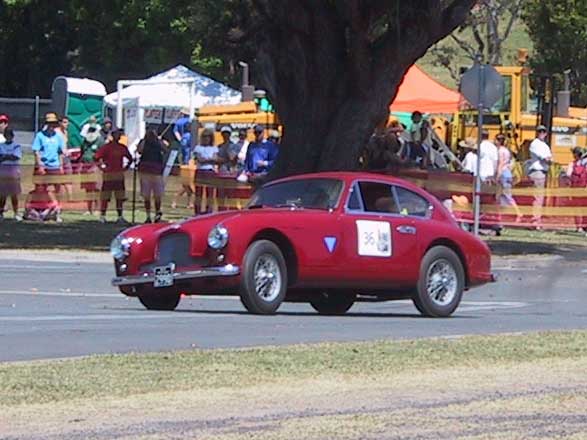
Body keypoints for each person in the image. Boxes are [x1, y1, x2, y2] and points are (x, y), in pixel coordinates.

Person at [32, 112, 65, 222]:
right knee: (42, 188)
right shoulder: (40, 135)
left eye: (53, 123)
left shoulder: (58, 136)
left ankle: (57, 210)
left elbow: (60, 152)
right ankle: (45, 209)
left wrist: (61, 166)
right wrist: (40, 166)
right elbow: (36, 151)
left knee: (58, 188)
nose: (51, 126)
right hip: (44, 166)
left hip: (55, 166)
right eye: (50, 123)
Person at [95, 128, 132, 224]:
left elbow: (130, 158)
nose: (118, 136)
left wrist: (125, 167)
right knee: (105, 196)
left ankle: (120, 216)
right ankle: (102, 216)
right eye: (116, 134)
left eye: (119, 135)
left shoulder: (122, 147)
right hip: (108, 175)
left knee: (119, 196)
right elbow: (96, 157)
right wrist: (102, 167)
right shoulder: (106, 147)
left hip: (119, 175)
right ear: (112, 136)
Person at [138, 129, 167, 223]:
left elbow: (165, 149)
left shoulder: (158, 142)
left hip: (156, 171)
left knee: (157, 195)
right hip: (145, 171)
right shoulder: (143, 142)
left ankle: (157, 213)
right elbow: (139, 151)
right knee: (146, 195)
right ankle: (148, 215)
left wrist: (159, 141)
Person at [527, 125, 553, 228]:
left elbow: (550, 158)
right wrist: (549, 160)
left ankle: (537, 220)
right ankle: (535, 221)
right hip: (537, 172)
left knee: (539, 198)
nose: (541, 133)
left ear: (546, 133)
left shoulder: (544, 145)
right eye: (539, 131)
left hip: (543, 172)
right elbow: (546, 159)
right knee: (537, 198)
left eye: (543, 131)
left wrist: (549, 160)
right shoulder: (535, 144)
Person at [79, 122, 105, 215]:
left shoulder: (100, 140)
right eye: (90, 130)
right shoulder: (84, 141)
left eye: (93, 130)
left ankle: (97, 209)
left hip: (96, 167)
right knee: (88, 189)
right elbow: (82, 152)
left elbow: (103, 154)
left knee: (97, 189)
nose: (91, 132)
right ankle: (89, 209)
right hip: (85, 167)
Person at [496, 133, 522, 224]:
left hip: (503, 173)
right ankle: (500, 215)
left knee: (506, 195)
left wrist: (498, 175)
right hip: (508, 173)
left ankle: (518, 213)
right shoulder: (507, 151)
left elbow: (501, 163)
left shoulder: (500, 151)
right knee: (501, 196)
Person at [193, 128, 219, 214]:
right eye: (204, 136)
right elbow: (200, 159)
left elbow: (215, 159)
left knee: (210, 193)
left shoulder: (214, 148)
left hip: (210, 171)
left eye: (208, 136)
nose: (206, 138)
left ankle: (209, 211)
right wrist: (210, 159)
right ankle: (197, 211)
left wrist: (207, 159)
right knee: (198, 193)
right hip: (200, 171)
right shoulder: (198, 148)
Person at [0, 128, 22, 221]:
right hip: (3, 172)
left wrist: (4, 156)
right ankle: (1, 213)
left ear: (12, 136)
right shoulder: (1, 145)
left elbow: (16, 156)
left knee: (14, 194)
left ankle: (16, 213)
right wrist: (8, 156)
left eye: (10, 135)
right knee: (2, 195)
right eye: (7, 135)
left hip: (13, 173)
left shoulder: (17, 146)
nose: (8, 137)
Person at [567, 147, 587, 233]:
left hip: (575, 189)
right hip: (584, 188)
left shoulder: (572, 164)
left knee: (577, 208)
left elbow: (568, 175)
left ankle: (579, 227)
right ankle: (585, 226)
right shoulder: (585, 164)